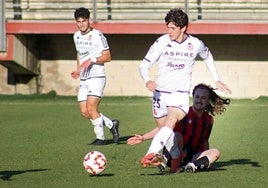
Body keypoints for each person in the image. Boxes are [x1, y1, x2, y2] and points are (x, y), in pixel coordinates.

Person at [138, 8, 231, 168]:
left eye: (172, 28)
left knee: (172, 120)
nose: (169, 31)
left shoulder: (195, 44)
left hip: (180, 94)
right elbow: (143, 65)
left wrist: (217, 80)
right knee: (165, 131)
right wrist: (147, 80)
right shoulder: (161, 42)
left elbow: (208, 57)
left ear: (183, 28)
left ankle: (150, 153)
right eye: (167, 27)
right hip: (160, 95)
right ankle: (176, 157)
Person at [127, 83, 230, 173]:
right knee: (177, 135)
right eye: (197, 97)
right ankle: (164, 159)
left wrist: (206, 159)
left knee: (215, 152)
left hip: (193, 157)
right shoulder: (183, 112)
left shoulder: (209, 120)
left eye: (203, 98)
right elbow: (163, 128)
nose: (199, 100)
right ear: (193, 97)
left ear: (208, 101)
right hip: (176, 152)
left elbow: (205, 141)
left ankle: (193, 166)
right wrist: (143, 137)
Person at [70, 7, 119, 145]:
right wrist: (79, 69)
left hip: (97, 76)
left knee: (92, 109)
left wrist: (91, 60)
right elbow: (80, 54)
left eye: (84, 21)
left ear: (89, 20)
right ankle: (111, 124)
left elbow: (108, 57)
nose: (81, 24)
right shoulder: (76, 36)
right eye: (78, 22)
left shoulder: (98, 35)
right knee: (85, 112)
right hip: (84, 78)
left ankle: (100, 139)